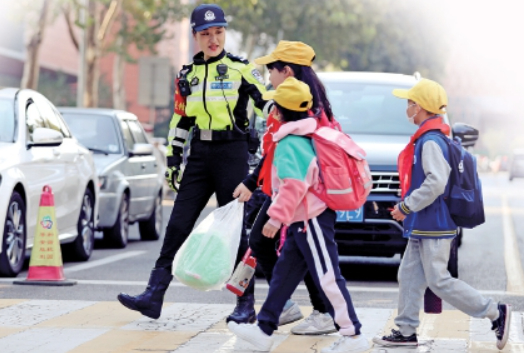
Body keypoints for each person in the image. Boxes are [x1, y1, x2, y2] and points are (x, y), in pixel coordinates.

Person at [117, 3, 271, 324]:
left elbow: (266, 103)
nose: (213, 39)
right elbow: (180, 119)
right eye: (206, 34)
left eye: (218, 32)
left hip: (232, 152)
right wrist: (174, 159)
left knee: (237, 233)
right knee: (177, 225)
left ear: (224, 33)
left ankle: (245, 303)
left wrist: (282, 122)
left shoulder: (243, 69)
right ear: (195, 36)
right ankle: (153, 295)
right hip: (200, 155)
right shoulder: (187, 74)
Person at [229, 77, 370, 353]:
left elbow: (294, 185)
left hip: (311, 220)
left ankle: (354, 336)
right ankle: (264, 329)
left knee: (328, 277)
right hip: (303, 220)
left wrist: (275, 217)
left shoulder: (291, 143)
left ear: (280, 111)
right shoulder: (303, 134)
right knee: (283, 276)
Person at [372, 79, 511, 350]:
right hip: (423, 223)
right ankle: (406, 330)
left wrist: (406, 206)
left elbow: (436, 182)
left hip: (433, 224)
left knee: (439, 281)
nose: (408, 108)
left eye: (410, 103)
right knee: (409, 275)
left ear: (421, 107)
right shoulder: (430, 137)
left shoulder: (430, 142)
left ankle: (495, 312)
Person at [233, 40, 339, 334]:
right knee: (282, 246)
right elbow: (274, 150)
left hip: (302, 192)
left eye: (272, 69)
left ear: (287, 72)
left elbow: (290, 154)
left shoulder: (303, 107)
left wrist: (263, 191)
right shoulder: (301, 100)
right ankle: (294, 308)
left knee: (278, 243)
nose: (269, 76)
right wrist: (252, 182)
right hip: (289, 189)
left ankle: (323, 312)